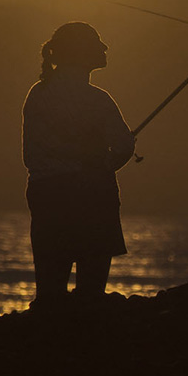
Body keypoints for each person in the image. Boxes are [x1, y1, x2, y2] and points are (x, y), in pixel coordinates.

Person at [22, 22, 137, 306]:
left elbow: (32, 154)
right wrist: (102, 164)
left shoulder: (38, 94)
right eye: (97, 42)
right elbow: (124, 145)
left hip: (48, 196)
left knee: (49, 294)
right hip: (93, 197)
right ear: (81, 52)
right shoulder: (98, 101)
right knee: (91, 296)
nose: (105, 47)